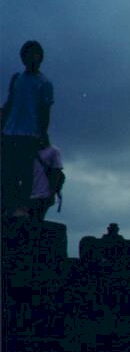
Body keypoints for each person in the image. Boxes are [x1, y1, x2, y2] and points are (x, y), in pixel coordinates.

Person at [1, 40, 55, 219]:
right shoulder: (17, 79)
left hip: (30, 133)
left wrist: (42, 134)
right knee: (7, 171)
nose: (32, 58)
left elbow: (45, 112)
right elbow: (9, 103)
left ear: (41, 58)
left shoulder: (44, 83)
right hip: (10, 131)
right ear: (22, 58)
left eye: (35, 54)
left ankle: (22, 207)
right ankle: (8, 205)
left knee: (25, 172)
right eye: (28, 54)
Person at [28, 135, 63, 223]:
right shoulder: (32, 150)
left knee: (35, 219)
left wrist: (52, 193)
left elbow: (57, 172)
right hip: (30, 193)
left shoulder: (53, 151)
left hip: (44, 194)